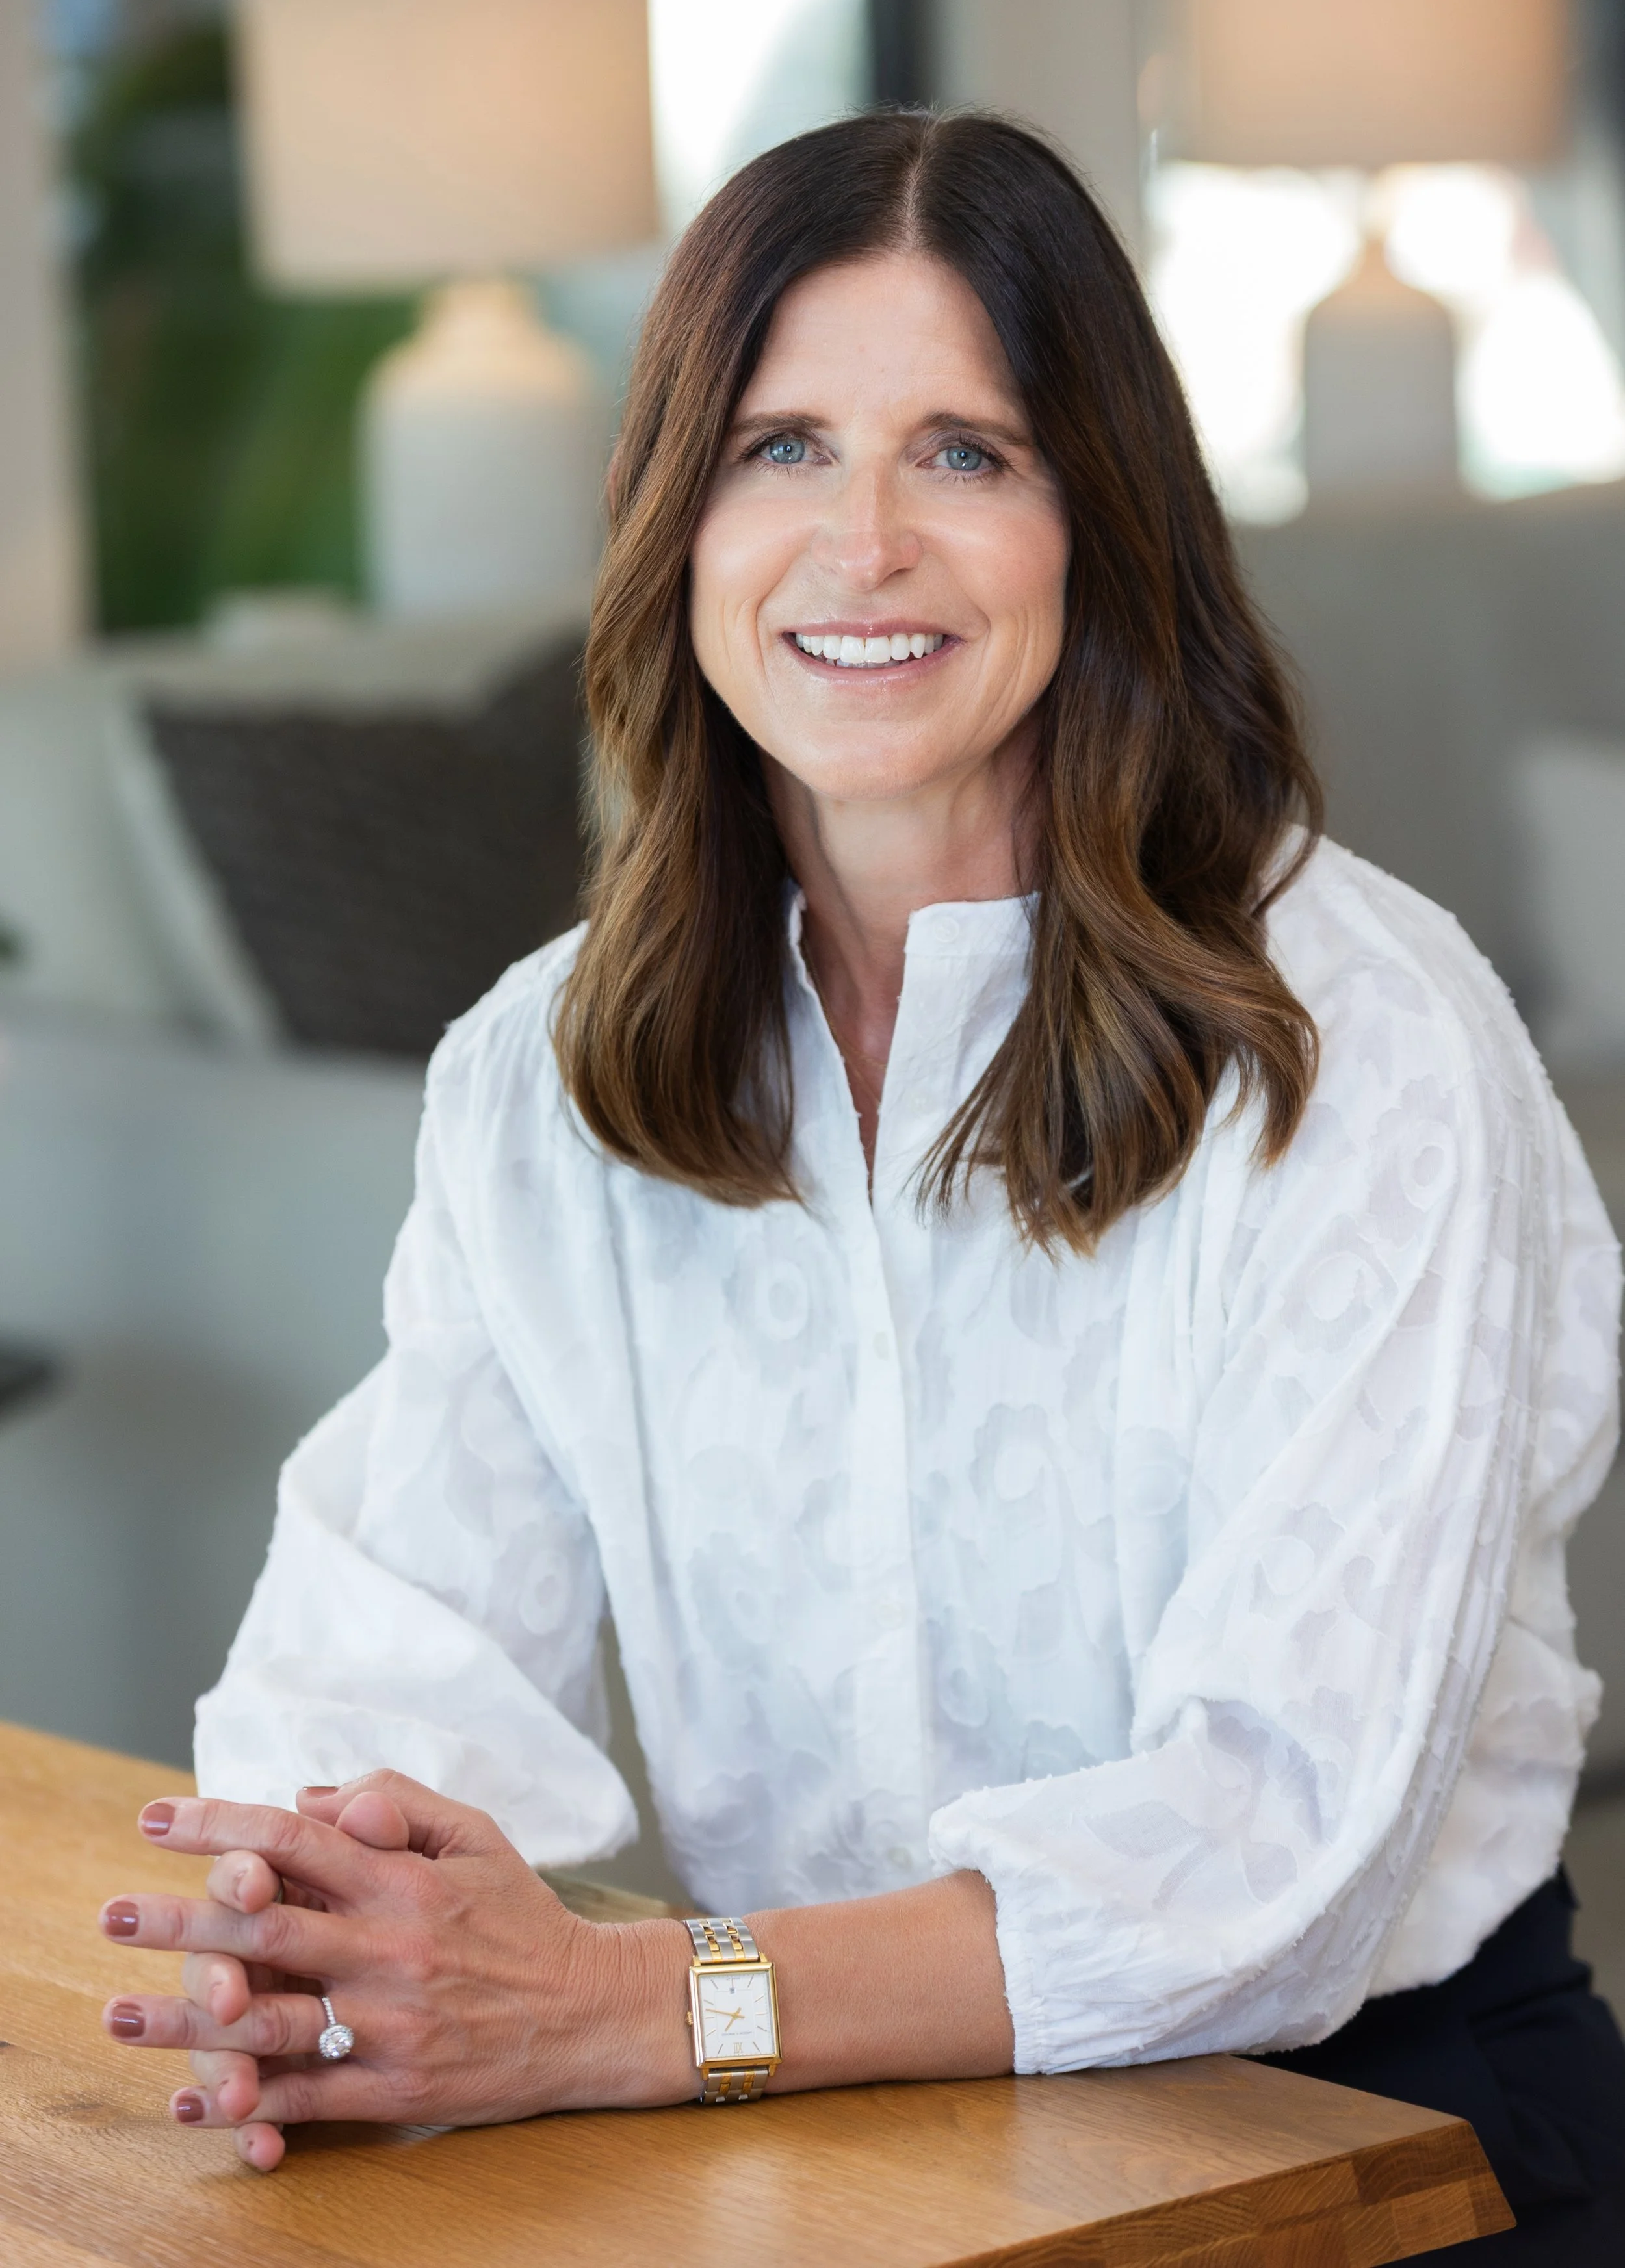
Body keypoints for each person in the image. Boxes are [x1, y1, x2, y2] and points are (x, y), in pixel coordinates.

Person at [99, 110, 1625, 2252]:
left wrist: (630, 2006)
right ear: (677, 518)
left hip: (1358, 2136)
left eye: (964, 453)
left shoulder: (1355, 1040)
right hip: (825, 2139)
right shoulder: (544, 1069)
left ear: (1103, 522)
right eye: (782, 448)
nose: (863, 542)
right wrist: (317, 1934)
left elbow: (1269, 1843)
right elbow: (390, 1649)